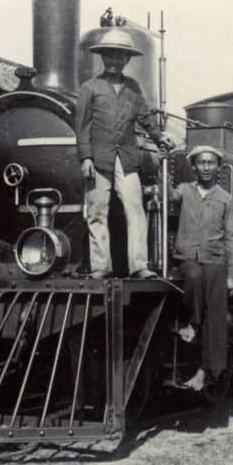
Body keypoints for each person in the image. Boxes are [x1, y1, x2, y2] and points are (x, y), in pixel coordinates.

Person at [75, 29, 174, 279]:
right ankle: (101, 267)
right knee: (97, 212)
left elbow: (146, 118)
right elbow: (82, 125)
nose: (114, 61)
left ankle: (139, 266)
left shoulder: (133, 88)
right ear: (102, 57)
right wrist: (85, 157)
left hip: (127, 160)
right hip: (98, 159)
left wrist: (160, 136)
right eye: (109, 55)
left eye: (120, 57)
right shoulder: (89, 88)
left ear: (127, 60)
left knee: (135, 209)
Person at [170, 145, 233, 392]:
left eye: (211, 163)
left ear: (218, 167)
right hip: (189, 256)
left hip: (216, 260)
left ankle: (203, 371)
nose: (206, 167)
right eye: (202, 163)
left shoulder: (225, 199)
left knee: (217, 317)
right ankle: (193, 325)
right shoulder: (185, 190)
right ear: (194, 167)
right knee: (194, 275)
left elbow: (231, 237)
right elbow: (169, 196)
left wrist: (232, 275)